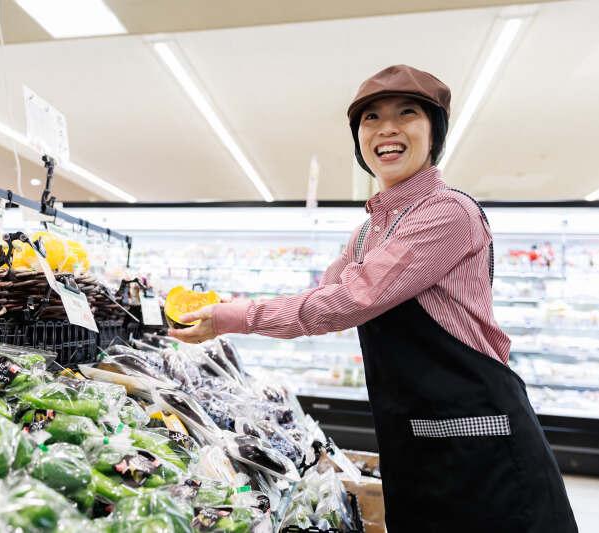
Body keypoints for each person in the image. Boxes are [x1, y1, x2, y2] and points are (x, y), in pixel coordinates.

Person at [169, 65, 578, 532]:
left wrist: (231, 317)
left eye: (407, 114)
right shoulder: (369, 232)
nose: (387, 128)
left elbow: (352, 301)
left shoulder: (447, 212)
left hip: (483, 451)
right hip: (415, 443)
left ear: (434, 133)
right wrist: (223, 306)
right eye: (370, 118)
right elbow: (324, 300)